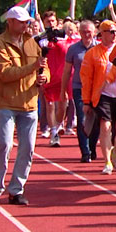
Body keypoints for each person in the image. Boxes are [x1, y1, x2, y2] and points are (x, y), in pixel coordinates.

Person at [0, 6, 48, 206]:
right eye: (21, 22)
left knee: (28, 148)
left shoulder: (32, 43)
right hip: (7, 103)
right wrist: (33, 67)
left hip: (29, 103)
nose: (25, 25)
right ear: (10, 22)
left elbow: (45, 67)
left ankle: (16, 189)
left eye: (26, 22)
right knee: (4, 145)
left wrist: (44, 77)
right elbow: (5, 74)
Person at [80, 20, 116, 175]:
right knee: (105, 126)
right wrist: (86, 101)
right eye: (110, 32)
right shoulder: (92, 54)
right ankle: (107, 161)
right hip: (103, 95)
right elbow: (86, 79)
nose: (114, 35)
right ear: (102, 34)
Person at [62, 20, 100, 162]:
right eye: (83, 31)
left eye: (89, 31)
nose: (86, 34)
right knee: (82, 118)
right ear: (79, 32)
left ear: (94, 32)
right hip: (79, 87)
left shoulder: (99, 48)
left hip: (96, 88)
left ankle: (92, 146)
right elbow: (67, 71)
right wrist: (63, 90)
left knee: (95, 120)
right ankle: (85, 152)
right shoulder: (73, 49)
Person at [39, 11, 70, 147]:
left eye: (53, 21)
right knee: (50, 105)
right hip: (49, 77)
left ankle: (58, 125)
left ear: (57, 22)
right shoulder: (42, 39)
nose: (51, 24)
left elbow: (68, 51)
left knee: (62, 107)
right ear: (44, 23)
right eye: (48, 22)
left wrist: (57, 40)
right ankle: (53, 133)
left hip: (63, 78)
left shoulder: (64, 37)